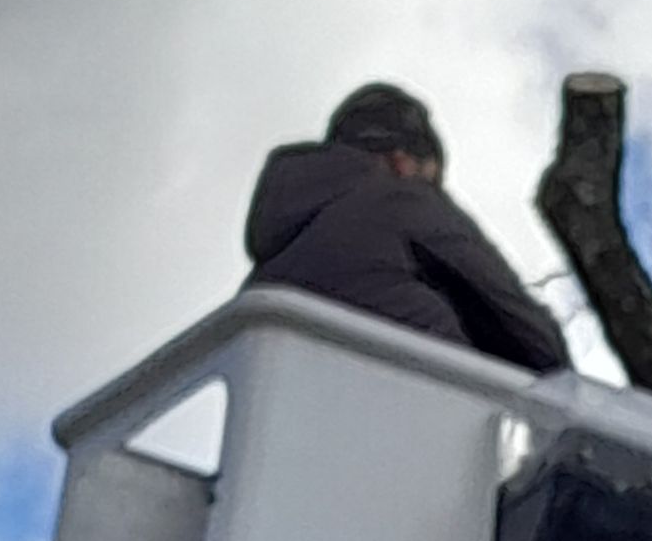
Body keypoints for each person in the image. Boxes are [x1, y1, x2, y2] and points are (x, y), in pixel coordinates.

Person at [242, 83, 570, 374]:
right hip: (416, 407)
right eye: (432, 181)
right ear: (402, 161)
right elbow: (526, 332)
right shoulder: (401, 198)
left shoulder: (267, 270)